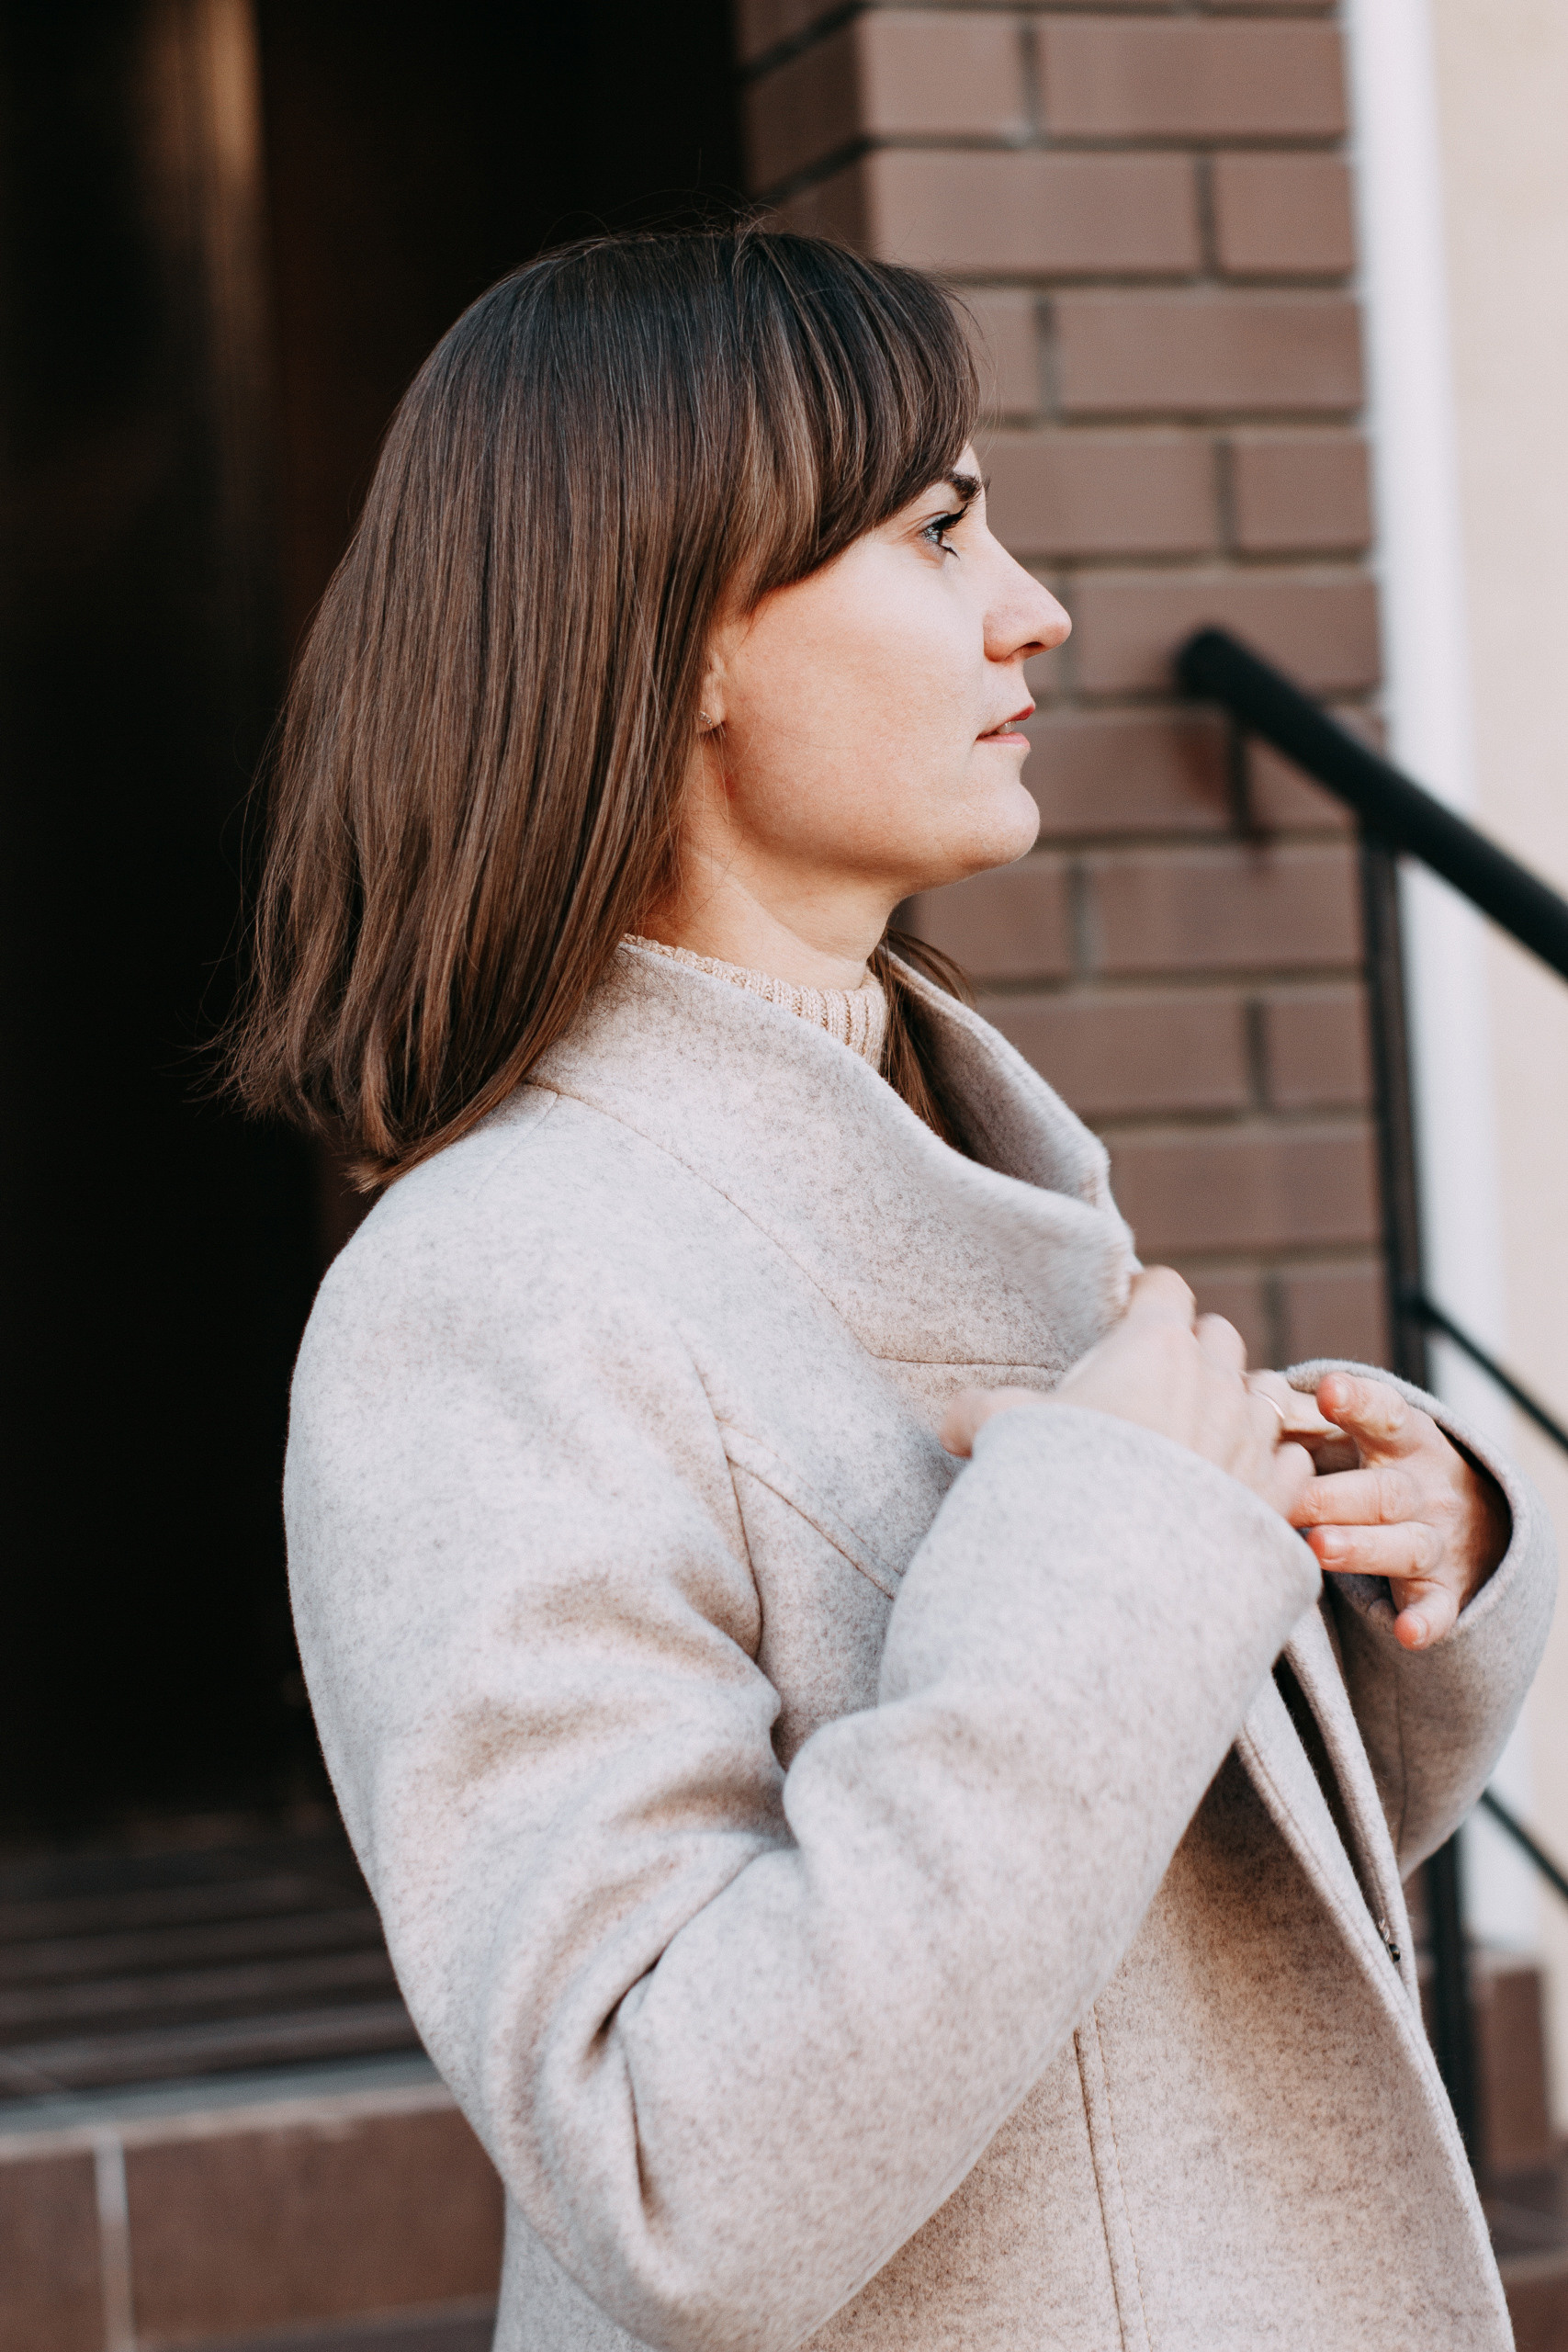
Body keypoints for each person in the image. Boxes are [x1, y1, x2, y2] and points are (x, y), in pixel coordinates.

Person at [233, 226, 1554, 2350]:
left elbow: (1127, 1955)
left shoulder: (977, 1183)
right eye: (937, 531)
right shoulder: (490, 1291)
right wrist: (1120, 1560)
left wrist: (1379, 1558)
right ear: (680, 632)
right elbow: (674, 2170)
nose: (1032, 605)